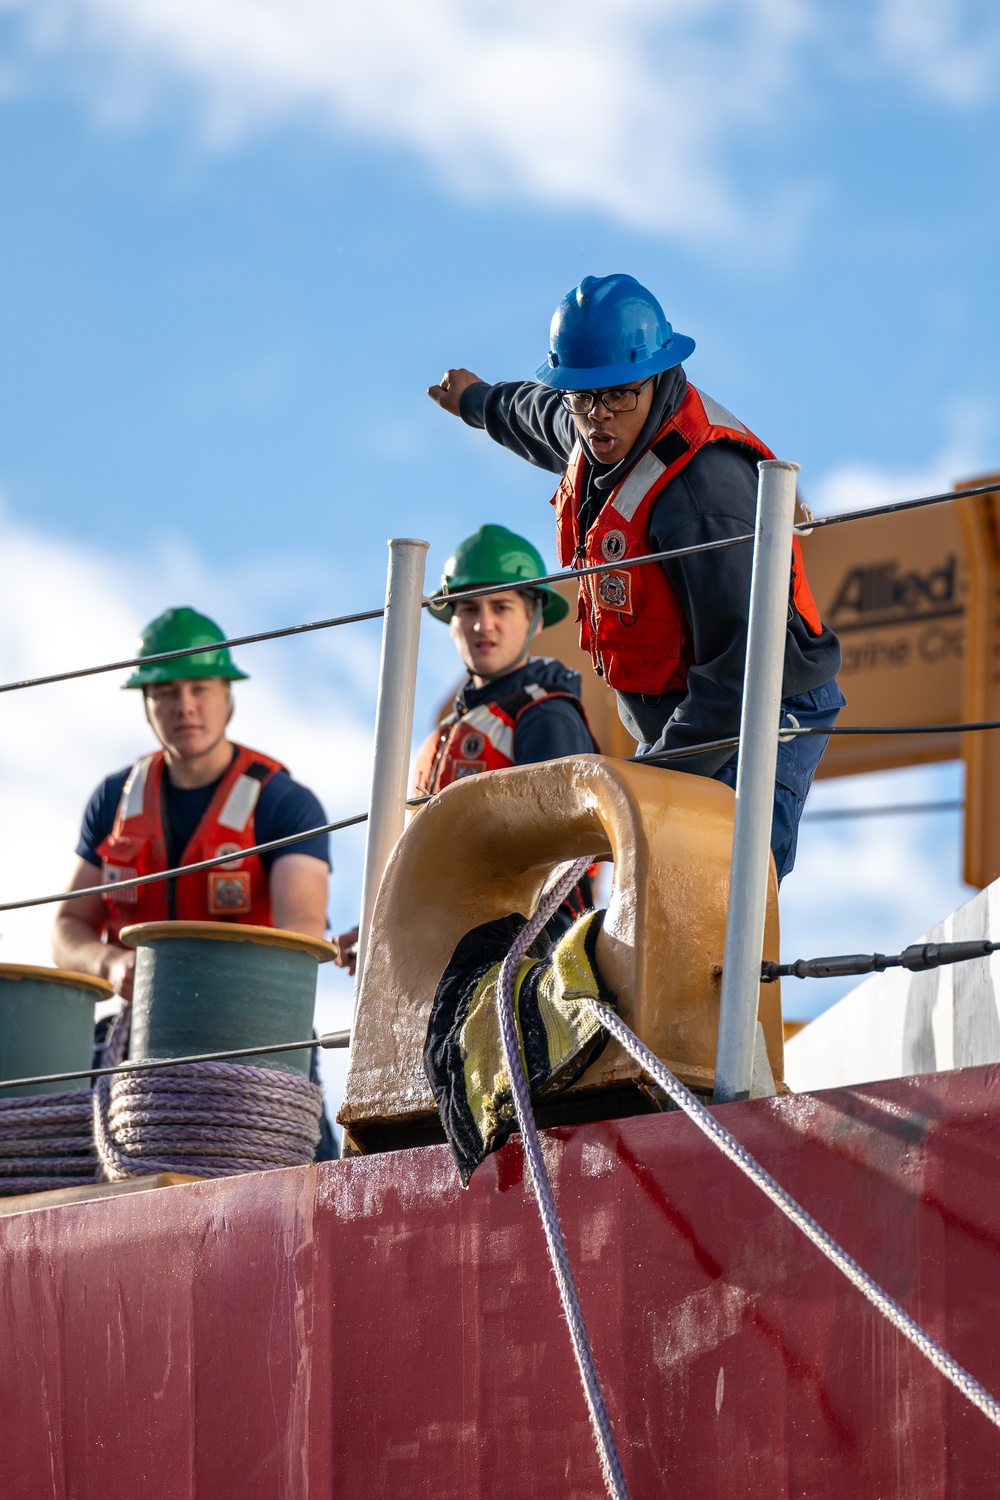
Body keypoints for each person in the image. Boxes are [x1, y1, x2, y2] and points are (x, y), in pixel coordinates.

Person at [428, 274, 844, 882]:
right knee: (650, 883)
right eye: (583, 396)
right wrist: (475, 400)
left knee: (718, 881)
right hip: (683, 705)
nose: (598, 416)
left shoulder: (704, 496)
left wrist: (658, 778)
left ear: (656, 380)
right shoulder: (597, 423)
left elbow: (741, 672)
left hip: (765, 702)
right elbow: (533, 414)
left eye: (617, 396)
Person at [52, 606, 339, 1156]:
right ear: (146, 704)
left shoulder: (284, 804)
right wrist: (109, 963)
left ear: (228, 695)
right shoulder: (112, 801)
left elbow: (303, 929)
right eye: (166, 691)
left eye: (200, 688)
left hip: (255, 1045)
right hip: (135, 1045)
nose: (185, 706)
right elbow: (68, 924)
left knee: (305, 1171)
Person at [333, 526, 599, 973]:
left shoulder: (546, 717)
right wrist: (380, 927)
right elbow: (418, 864)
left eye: (501, 607)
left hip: (523, 952)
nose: (483, 624)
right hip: (445, 949)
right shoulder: (439, 739)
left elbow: (553, 863)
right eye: (469, 608)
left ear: (533, 616)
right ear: (452, 621)